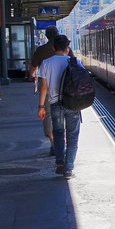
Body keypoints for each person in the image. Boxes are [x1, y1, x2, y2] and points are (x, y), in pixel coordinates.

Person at [36, 35, 79, 180]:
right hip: (72, 104)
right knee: (72, 136)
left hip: (55, 104)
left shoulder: (46, 63)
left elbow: (43, 88)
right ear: (67, 48)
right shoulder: (74, 62)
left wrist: (41, 106)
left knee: (59, 133)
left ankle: (60, 162)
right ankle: (69, 169)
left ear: (53, 48)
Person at [28, 26, 62, 155]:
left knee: (48, 114)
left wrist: (33, 75)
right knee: (63, 114)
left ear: (46, 36)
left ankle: (54, 143)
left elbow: (32, 68)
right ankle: (62, 142)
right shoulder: (64, 48)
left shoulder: (41, 50)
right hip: (63, 87)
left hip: (47, 87)